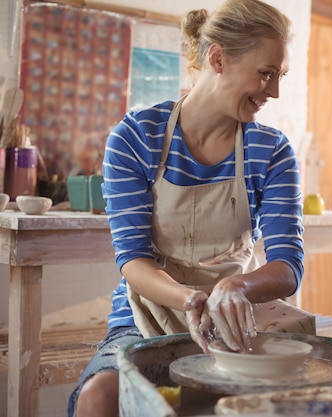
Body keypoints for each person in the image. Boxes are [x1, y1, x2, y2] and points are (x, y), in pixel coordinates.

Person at [68, 1, 311, 416]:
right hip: (145, 316)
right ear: (218, 58)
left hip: (235, 319)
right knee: (100, 397)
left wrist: (238, 287)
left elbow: (288, 266)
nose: (274, 92)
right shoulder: (135, 138)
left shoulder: (272, 151)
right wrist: (188, 299)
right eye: (266, 73)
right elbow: (133, 260)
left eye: (280, 76)